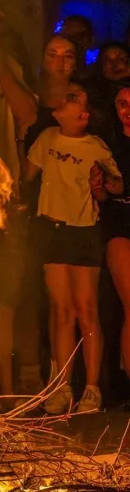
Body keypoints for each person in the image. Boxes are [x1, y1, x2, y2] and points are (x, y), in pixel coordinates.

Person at [26, 83, 122, 414]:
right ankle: (62, 387)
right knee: (61, 311)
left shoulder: (95, 146)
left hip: (84, 233)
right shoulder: (48, 138)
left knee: (86, 310)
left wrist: (103, 185)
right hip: (52, 231)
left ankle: (92, 389)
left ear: (82, 114)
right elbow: (26, 176)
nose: (63, 97)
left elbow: (115, 185)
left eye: (72, 97)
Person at [0, 8, 38, 396]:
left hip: (0, 198)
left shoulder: (6, 65)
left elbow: (27, 113)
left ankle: (8, 388)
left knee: (4, 290)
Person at [102, 86, 130, 395]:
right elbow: (103, 192)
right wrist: (106, 186)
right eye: (122, 103)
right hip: (119, 228)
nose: (128, 109)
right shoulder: (107, 145)